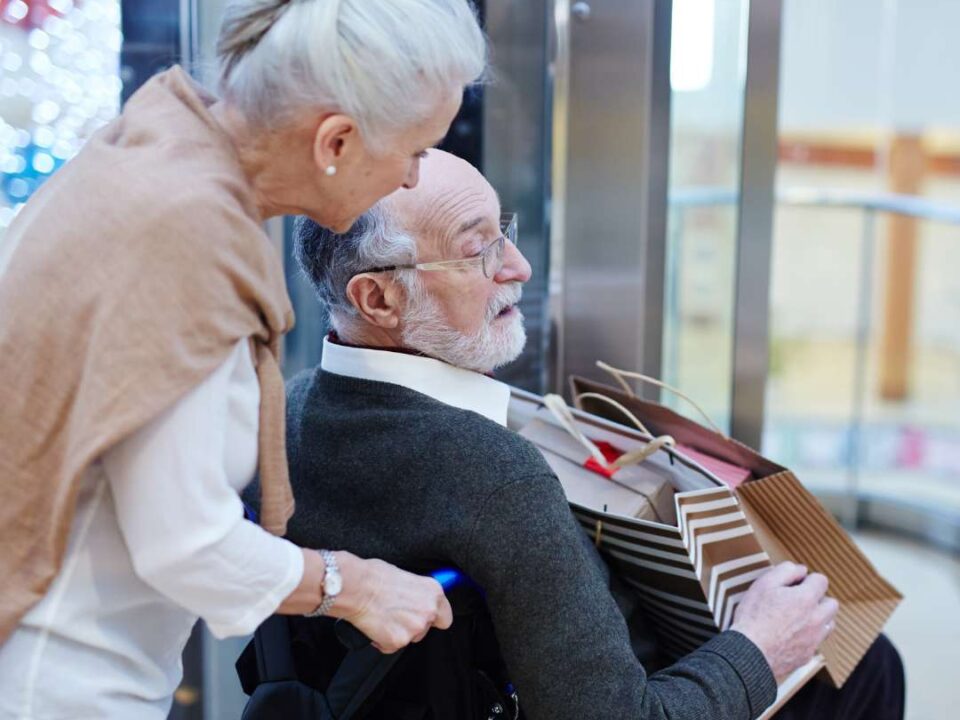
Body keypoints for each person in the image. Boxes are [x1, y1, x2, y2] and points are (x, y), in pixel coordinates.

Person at [263, 149, 906, 720]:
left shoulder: (289, 412)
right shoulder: (495, 475)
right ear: (377, 300)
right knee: (868, 666)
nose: (518, 266)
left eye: (505, 233)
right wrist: (761, 645)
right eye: (476, 249)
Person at [0, 2, 485, 718]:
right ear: (337, 141)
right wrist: (354, 587)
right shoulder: (181, 240)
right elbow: (185, 544)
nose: (414, 179)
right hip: (56, 682)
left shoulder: (152, 155)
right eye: (416, 150)